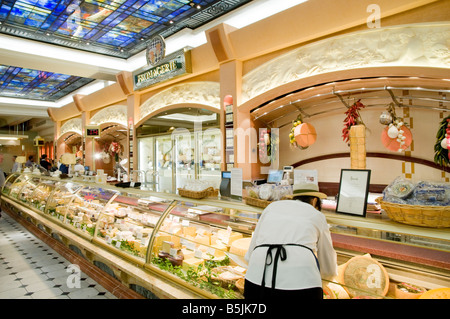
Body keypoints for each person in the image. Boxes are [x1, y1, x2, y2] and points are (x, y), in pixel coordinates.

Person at [244, 182, 338, 299]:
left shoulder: (272, 207)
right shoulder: (316, 215)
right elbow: (327, 258)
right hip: (301, 287)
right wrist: (326, 278)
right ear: (314, 200)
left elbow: (250, 254)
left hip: (256, 281)